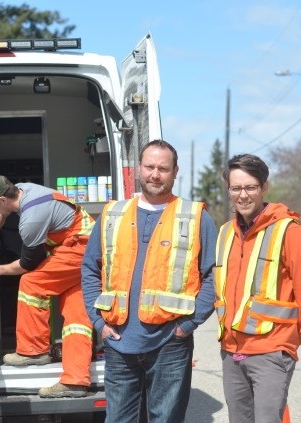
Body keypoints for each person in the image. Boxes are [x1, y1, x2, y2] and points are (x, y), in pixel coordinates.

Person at [81, 139, 217, 423]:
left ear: (175, 171)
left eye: (163, 168)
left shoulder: (195, 217)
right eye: (150, 166)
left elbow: (214, 275)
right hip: (118, 344)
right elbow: (90, 269)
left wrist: (188, 326)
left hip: (170, 343)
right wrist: (98, 323)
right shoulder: (112, 214)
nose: (155, 174)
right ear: (139, 169)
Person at [215, 154, 301, 423]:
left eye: (251, 187)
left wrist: (286, 344)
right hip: (231, 353)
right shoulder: (225, 233)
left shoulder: (289, 231)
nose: (243, 195)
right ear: (229, 190)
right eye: (236, 188)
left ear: (264, 187)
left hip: (270, 353)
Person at [0, 175, 95, 398]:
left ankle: (33, 351)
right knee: (76, 316)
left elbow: (27, 264)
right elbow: (0, 213)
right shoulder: (20, 188)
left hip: (79, 249)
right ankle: (75, 382)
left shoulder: (30, 220)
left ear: (2, 198)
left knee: (32, 282)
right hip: (84, 247)